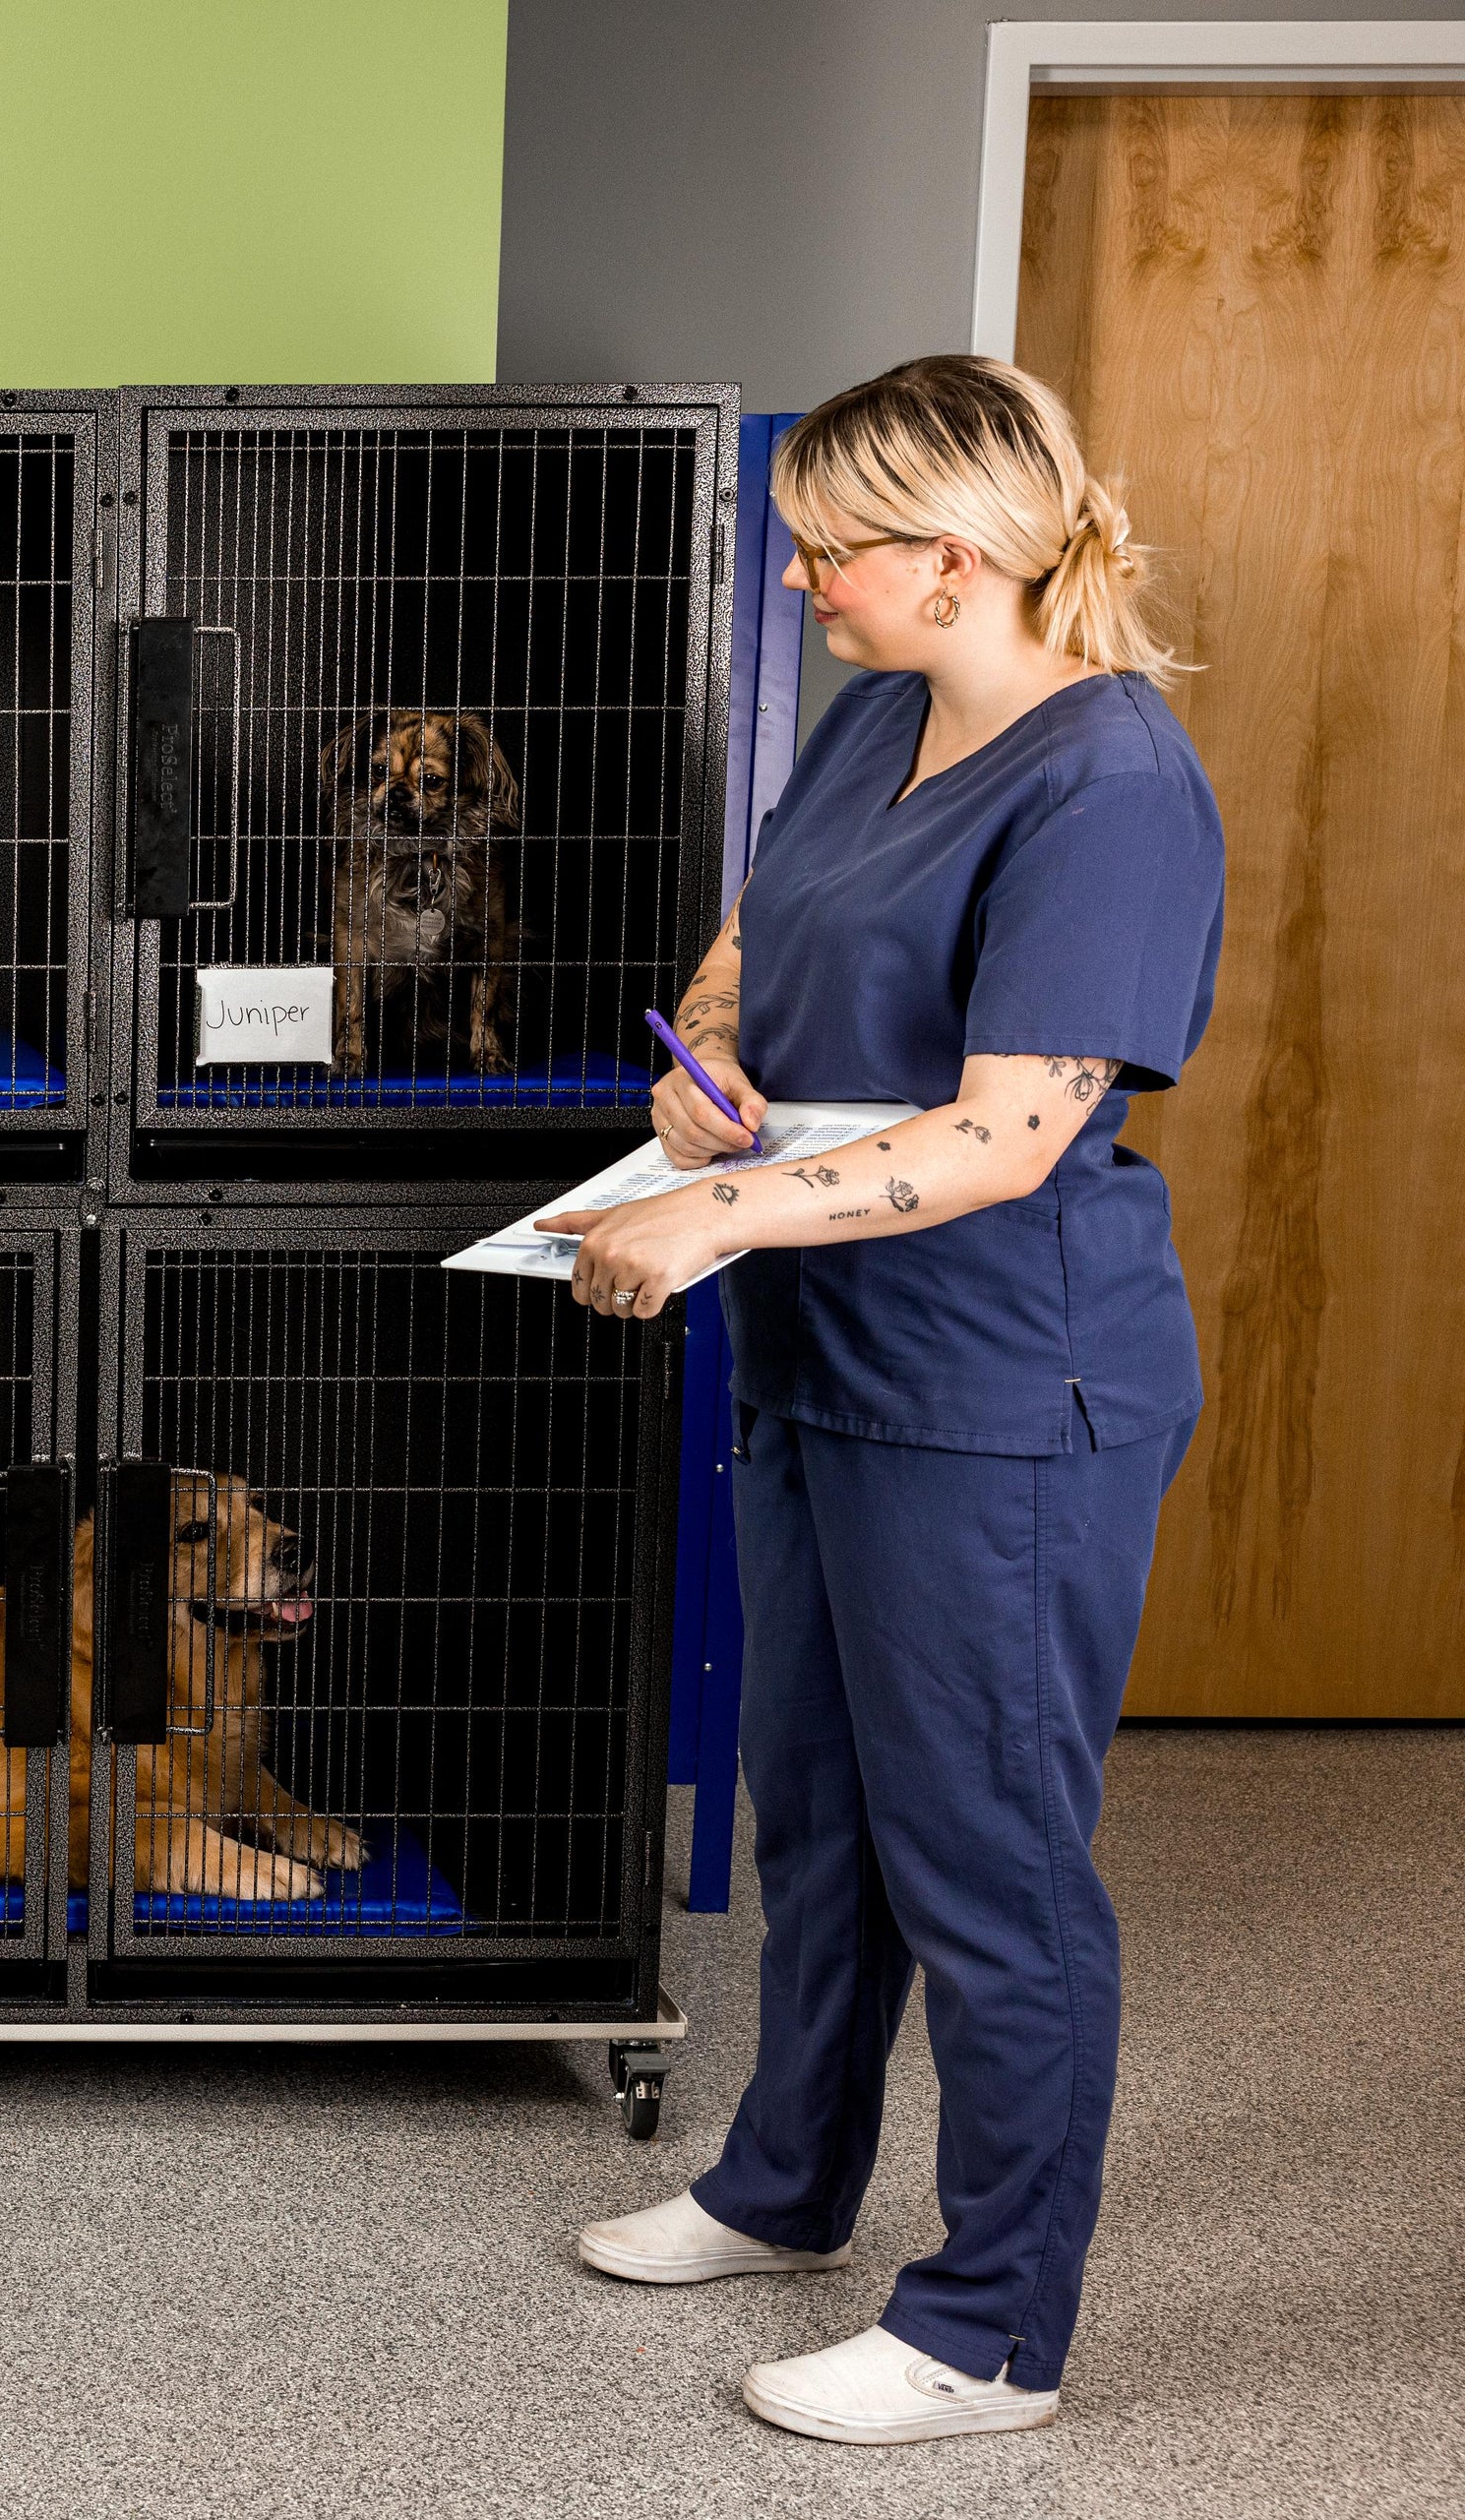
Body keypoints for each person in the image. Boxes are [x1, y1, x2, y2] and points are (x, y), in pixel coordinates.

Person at [548, 355, 1222, 2444]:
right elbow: (750, 964)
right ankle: (782, 2189)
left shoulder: (1110, 783)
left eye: (832, 547)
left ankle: (992, 2330)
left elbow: (1013, 1132)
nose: (802, 574)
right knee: (817, 1818)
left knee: (991, 1859)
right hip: (827, 1351)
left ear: (959, 555)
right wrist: (698, 1081)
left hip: (1005, 1386)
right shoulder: (866, 723)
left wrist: (724, 1202)